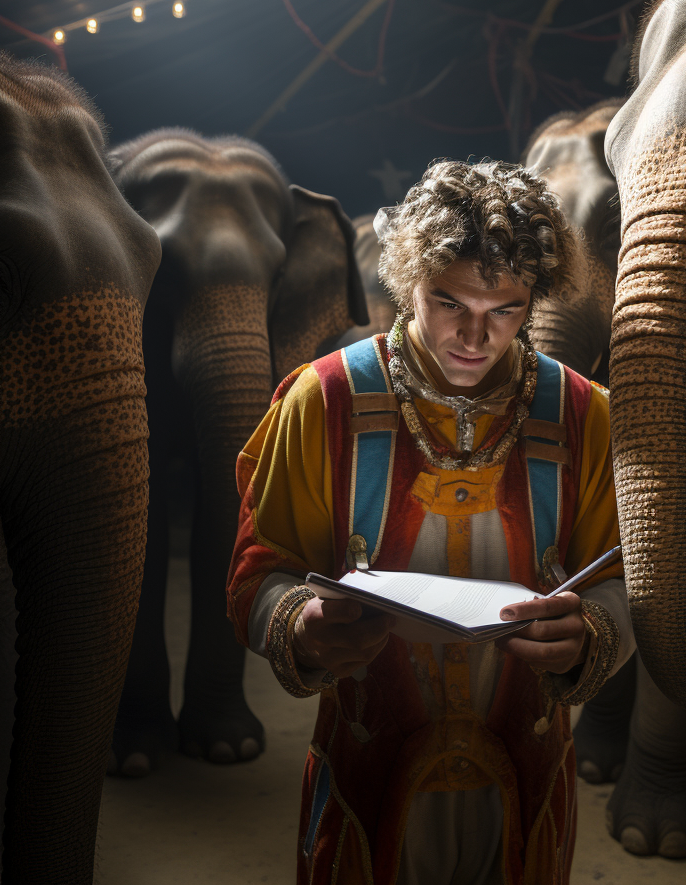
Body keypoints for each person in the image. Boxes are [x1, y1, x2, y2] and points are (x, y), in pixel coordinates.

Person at [226, 159, 633, 885]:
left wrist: (595, 632)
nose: (475, 337)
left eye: (504, 311)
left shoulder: (584, 416)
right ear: (406, 276)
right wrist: (295, 622)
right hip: (365, 774)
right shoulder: (322, 402)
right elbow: (261, 567)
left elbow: (626, 578)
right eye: (449, 303)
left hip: (529, 781)